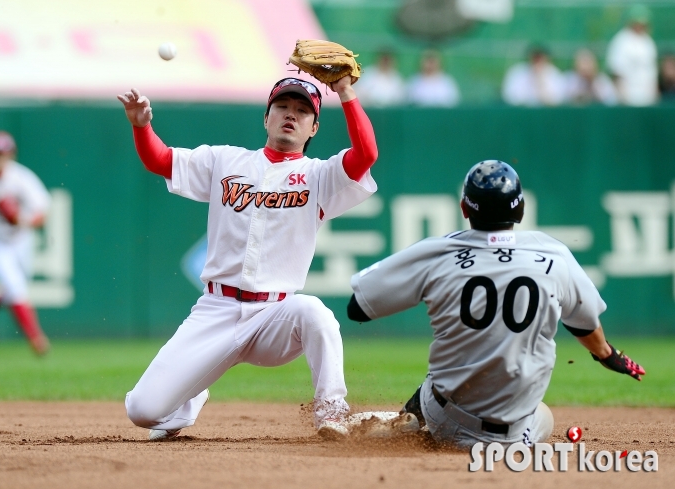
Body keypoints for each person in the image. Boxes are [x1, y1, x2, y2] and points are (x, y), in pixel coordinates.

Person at [116, 75, 378, 441]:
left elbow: (366, 155)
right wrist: (142, 126)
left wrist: (346, 93)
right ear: (266, 118)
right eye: (283, 107)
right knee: (142, 411)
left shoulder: (319, 177)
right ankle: (191, 396)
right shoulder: (226, 161)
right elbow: (160, 160)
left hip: (275, 316)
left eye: (303, 111)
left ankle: (331, 409)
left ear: (314, 127)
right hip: (216, 310)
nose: (291, 115)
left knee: (315, 311)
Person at [347, 160, 645, 449]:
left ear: (464, 208)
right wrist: (606, 354)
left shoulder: (438, 253)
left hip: (447, 419)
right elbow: (584, 322)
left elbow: (357, 308)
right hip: (516, 433)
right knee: (544, 414)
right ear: (521, 209)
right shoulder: (554, 255)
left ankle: (414, 421)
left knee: (437, 382)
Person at [0, 131, 51, 355]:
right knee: (17, 287)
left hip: (20, 239)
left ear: (11, 154)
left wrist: (21, 219)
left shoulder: (21, 178)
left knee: (16, 283)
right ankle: (36, 339)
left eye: (3, 153)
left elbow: (42, 212)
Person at [606, 4, 658, 106]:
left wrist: (654, 94)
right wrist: (623, 98)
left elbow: (652, 72)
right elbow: (617, 73)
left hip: (647, 99)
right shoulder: (621, 41)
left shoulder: (648, 42)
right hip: (628, 99)